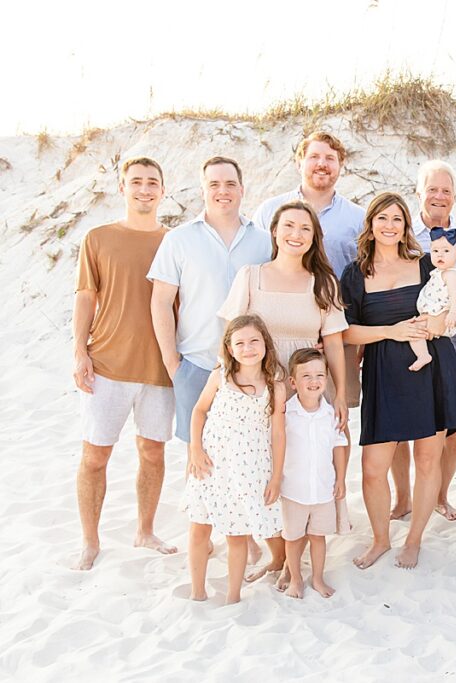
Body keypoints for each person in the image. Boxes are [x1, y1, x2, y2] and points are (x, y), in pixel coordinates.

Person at [340, 192, 456, 570]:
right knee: (372, 466)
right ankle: (380, 539)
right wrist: (391, 331)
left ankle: (414, 539)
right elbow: (345, 332)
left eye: (396, 219)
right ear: (371, 224)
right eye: (382, 218)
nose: (389, 225)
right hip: (384, 372)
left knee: (428, 458)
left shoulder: (425, 265)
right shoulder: (356, 273)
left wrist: (445, 323)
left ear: (405, 226)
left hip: (432, 369)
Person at [218, 199, 349, 581]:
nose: (296, 234)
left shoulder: (323, 283)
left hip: (308, 386)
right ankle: (278, 554)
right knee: (265, 467)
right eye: (289, 226)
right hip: (259, 386)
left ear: (314, 237)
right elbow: (229, 336)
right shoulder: (251, 275)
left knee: (305, 466)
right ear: (274, 231)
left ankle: (296, 555)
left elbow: (336, 344)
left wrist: (339, 393)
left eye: (305, 229)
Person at [72, 157, 176, 570]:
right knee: (95, 456)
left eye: (153, 182)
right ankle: (90, 541)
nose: (144, 189)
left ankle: (145, 530)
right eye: (136, 182)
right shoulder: (98, 238)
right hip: (107, 366)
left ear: (163, 190)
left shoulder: (175, 242)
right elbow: (85, 296)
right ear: (122, 188)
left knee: (152, 452)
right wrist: (79, 351)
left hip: (159, 370)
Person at [149, 156, 272, 446]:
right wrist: (172, 363)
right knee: (199, 458)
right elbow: (161, 302)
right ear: (203, 189)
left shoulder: (265, 241)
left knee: (250, 454)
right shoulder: (178, 240)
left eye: (230, 184)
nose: (223, 191)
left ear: (242, 189)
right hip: (196, 365)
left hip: (252, 366)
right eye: (214, 184)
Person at [253, 130, 365, 412]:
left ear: (341, 165)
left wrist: (358, 336)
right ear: (299, 163)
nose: (322, 164)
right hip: (280, 334)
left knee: (336, 412)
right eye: (314, 156)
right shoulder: (269, 211)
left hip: (338, 335)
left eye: (330, 158)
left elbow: (366, 277)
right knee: (279, 413)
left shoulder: (357, 218)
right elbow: (258, 268)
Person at [392, 160, 456, 522]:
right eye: (432, 189)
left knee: (450, 429)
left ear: (455, 197)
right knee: (402, 428)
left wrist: (449, 320)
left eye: (446, 190)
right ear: (418, 194)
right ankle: (403, 498)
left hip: (454, 345)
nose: (438, 196)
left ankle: (441, 495)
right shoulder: (402, 235)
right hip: (407, 342)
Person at [183, 315, 286, 605]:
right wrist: (195, 449)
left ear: (265, 343)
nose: (248, 348)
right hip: (211, 465)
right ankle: (197, 591)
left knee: (236, 533)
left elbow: (278, 434)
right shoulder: (220, 377)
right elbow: (199, 411)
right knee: (199, 527)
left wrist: (276, 476)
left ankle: (232, 596)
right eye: (239, 342)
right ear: (229, 348)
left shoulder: (274, 386)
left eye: (254, 340)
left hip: (248, 469)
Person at [278, 348, 348, 600]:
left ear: (326, 379)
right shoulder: (286, 414)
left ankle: (317, 578)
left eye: (319, 374)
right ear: (293, 382)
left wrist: (340, 478)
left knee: (318, 537)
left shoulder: (330, 413)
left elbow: (339, 445)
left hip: (323, 490)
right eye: (306, 376)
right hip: (293, 491)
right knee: (294, 539)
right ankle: (295, 579)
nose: (314, 381)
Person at [410, 227, 456, 371]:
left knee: (413, 331)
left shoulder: (452, 275)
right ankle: (423, 354)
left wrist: (453, 314)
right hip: (435, 316)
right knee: (414, 330)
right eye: (435, 251)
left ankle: (423, 356)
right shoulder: (438, 273)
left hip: (446, 319)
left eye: (446, 251)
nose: (440, 255)